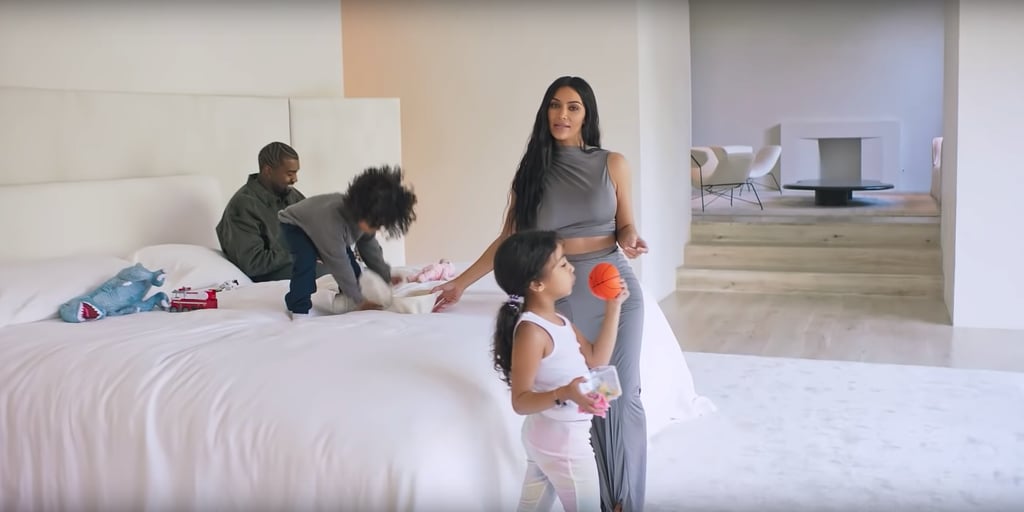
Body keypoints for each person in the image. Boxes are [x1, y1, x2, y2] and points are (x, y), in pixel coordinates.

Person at [432, 76, 649, 512]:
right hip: (559, 288)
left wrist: (630, 237)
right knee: (584, 391)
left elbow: (624, 223)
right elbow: (509, 237)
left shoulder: (613, 163)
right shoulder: (532, 172)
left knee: (619, 393)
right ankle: (590, 491)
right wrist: (461, 282)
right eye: (554, 105)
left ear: (587, 114)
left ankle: (624, 500)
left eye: (573, 107)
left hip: (611, 282)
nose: (562, 115)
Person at [491, 230, 628, 512]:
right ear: (537, 284)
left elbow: (596, 359)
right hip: (565, 448)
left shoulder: (559, 321)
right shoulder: (532, 331)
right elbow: (521, 401)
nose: (571, 267)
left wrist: (613, 307)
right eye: (562, 264)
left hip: (547, 440)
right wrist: (565, 392)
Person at [277, 165, 417, 320]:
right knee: (306, 262)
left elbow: (371, 251)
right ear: (361, 212)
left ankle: (347, 298)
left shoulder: (366, 217)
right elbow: (338, 263)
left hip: (321, 226)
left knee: (353, 266)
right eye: (375, 224)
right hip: (295, 225)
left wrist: (385, 275)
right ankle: (298, 307)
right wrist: (360, 300)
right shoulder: (331, 222)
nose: (377, 229)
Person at [216, 141, 328, 282]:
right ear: (268, 171)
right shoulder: (243, 205)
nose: (295, 179)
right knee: (332, 277)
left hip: (300, 262)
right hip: (269, 273)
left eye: (296, 173)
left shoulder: (292, 196)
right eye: (289, 173)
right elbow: (253, 262)